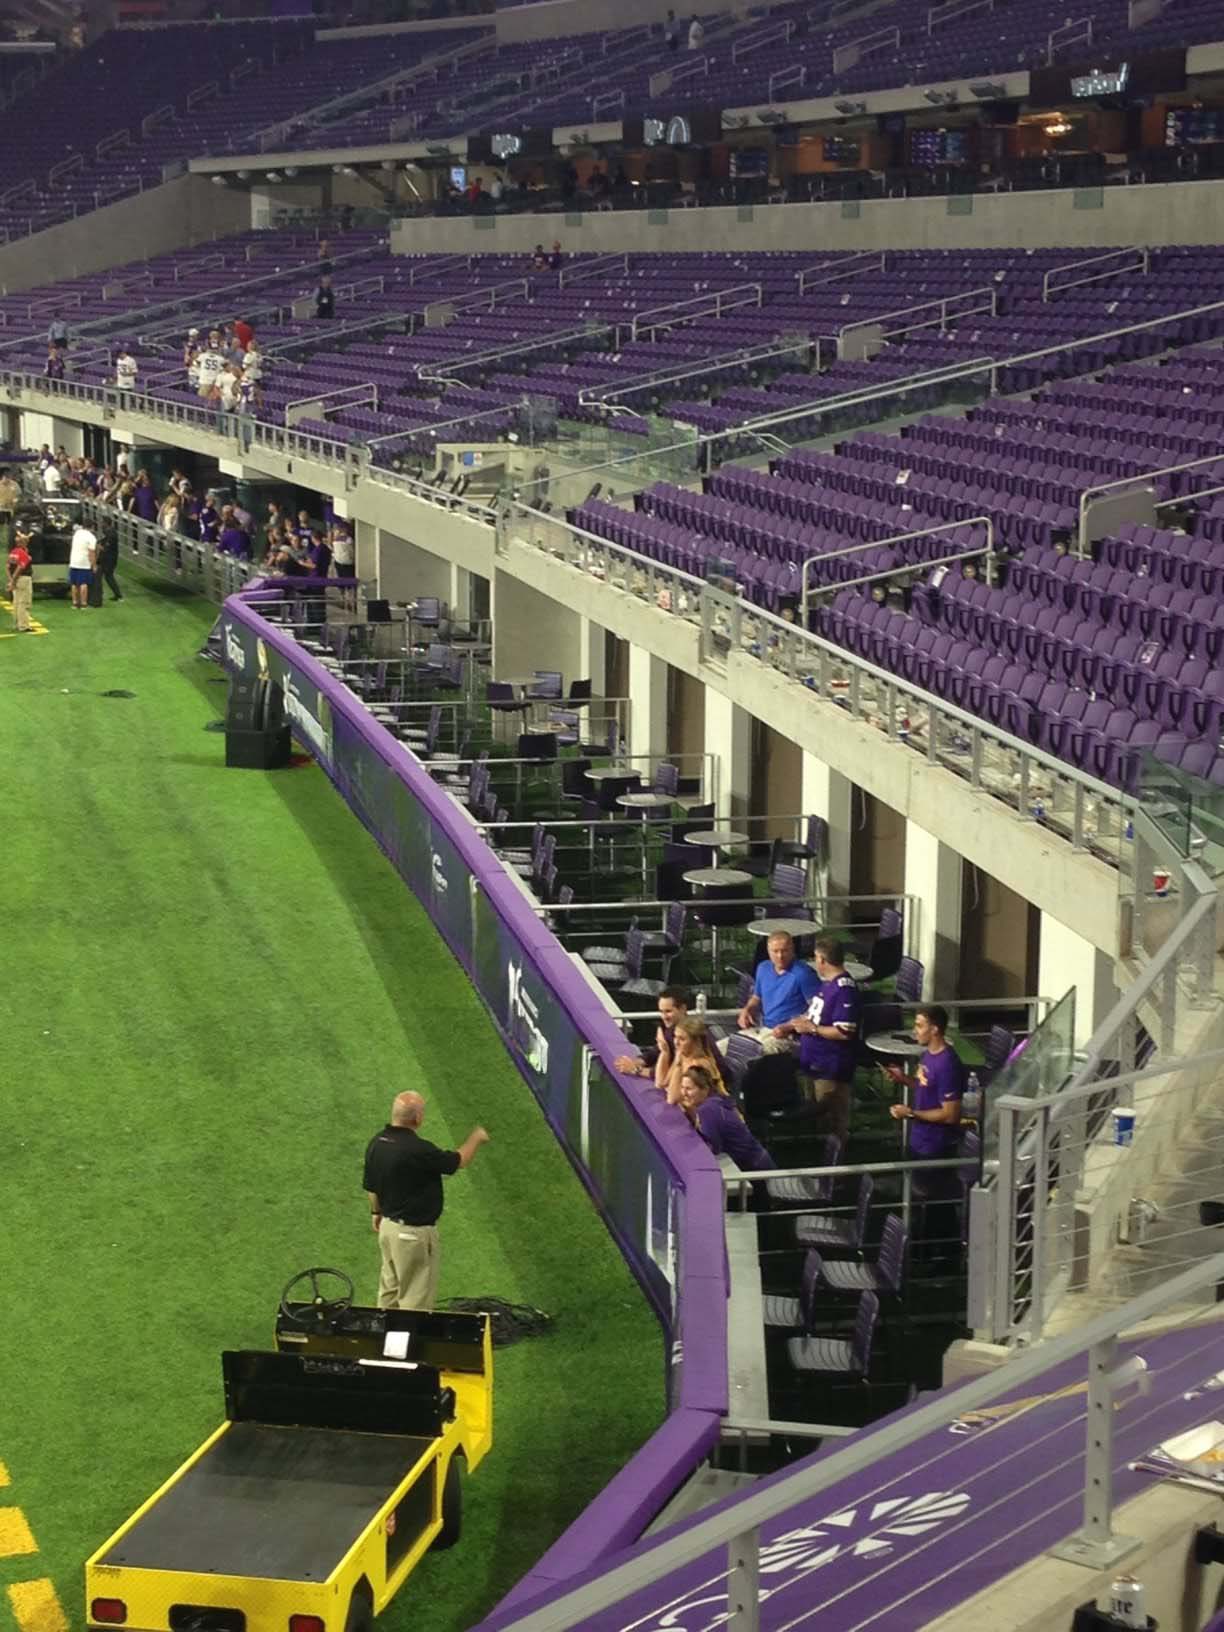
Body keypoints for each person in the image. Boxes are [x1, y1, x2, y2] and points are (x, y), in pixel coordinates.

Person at [362, 1090, 490, 1311]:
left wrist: (376, 1212)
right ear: (417, 1118)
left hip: (388, 1229)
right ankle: (408, 1344)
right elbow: (457, 1162)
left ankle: (383, 1342)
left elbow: (371, 1186)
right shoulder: (418, 1150)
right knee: (415, 1302)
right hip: (412, 1236)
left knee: (389, 1294)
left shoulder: (377, 1143)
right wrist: (476, 1138)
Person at [885, 1004, 965, 1258]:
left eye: (919, 1025)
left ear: (935, 1029)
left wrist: (911, 1113)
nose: (915, 1030)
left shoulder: (948, 1064)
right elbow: (926, 1088)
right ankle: (925, 1251)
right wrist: (903, 1079)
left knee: (938, 1206)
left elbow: (950, 1113)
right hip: (920, 1141)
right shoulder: (928, 1055)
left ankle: (945, 1257)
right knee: (925, 1202)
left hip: (937, 1145)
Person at [776, 936, 861, 1145]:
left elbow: (844, 1031)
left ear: (822, 960)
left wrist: (812, 1029)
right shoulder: (828, 985)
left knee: (832, 1120)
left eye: (816, 959)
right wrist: (791, 1026)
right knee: (818, 1118)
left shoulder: (844, 989)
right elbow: (814, 1016)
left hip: (831, 1067)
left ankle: (837, 1169)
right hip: (815, 1063)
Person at [731, 932, 820, 1052]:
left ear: (792, 950)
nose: (780, 956)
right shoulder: (763, 968)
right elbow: (757, 997)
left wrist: (789, 1026)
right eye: (775, 951)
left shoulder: (803, 974)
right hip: (763, 1029)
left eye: (785, 951)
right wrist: (747, 1009)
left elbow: (817, 1009)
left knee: (751, 1053)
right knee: (719, 1048)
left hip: (788, 1035)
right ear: (768, 951)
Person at [680, 1064, 775, 1171]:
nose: (683, 1093)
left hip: (756, 1169)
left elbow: (713, 1148)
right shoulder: (714, 1102)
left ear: (705, 1089)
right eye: (682, 1087)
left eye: (689, 1089)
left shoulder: (708, 1110)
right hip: (758, 1161)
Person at [656, 1014, 732, 1104]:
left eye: (682, 1039)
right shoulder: (683, 1056)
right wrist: (664, 1052)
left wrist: (678, 1065)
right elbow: (661, 1083)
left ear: (696, 1041)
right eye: (675, 1036)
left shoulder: (698, 1066)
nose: (676, 1042)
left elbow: (673, 1099)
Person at [7, 523, 33, 632]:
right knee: (24, 603)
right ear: (23, 543)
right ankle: (24, 626)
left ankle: (17, 623)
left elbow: (8, 567)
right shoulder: (24, 554)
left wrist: (10, 580)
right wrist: (13, 581)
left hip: (16, 580)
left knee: (16, 602)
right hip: (23, 579)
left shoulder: (13, 552)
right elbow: (19, 568)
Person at [67, 519, 96, 609]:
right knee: (83, 583)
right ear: (92, 527)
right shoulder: (91, 537)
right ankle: (84, 604)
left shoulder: (77, 533)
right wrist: (94, 565)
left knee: (74, 583)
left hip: (74, 561)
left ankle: (75, 603)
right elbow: (91, 552)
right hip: (84, 563)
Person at [95, 526, 122, 602]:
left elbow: (105, 549)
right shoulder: (110, 535)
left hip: (108, 560)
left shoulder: (111, 536)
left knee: (107, 576)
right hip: (108, 560)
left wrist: (99, 546)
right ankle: (117, 594)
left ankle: (117, 595)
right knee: (106, 577)